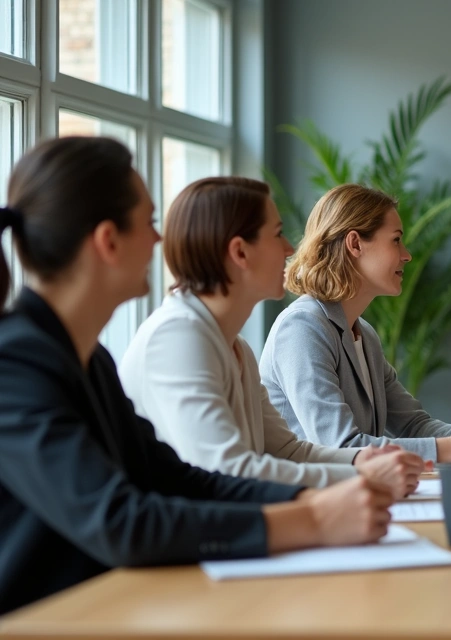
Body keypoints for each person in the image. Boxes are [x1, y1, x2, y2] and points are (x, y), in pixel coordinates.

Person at [0, 137, 394, 615]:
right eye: (147, 223)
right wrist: (311, 519)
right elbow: (122, 520)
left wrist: (322, 496)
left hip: (99, 609)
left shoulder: (87, 359)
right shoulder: (16, 365)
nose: (159, 239)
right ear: (107, 241)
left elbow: (180, 479)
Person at [119, 177, 423, 498]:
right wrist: (362, 474)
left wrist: (364, 461)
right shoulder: (178, 338)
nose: (290, 249)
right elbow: (230, 471)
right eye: (277, 234)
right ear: (240, 252)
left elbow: (290, 452)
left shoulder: (238, 348)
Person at [260, 184, 451, 463]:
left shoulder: (365, 336)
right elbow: (340, 446)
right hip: (310, 499)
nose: (407, 254)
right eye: (396, 240)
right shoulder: (302, 328)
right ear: (355, 244)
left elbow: (414, 426)